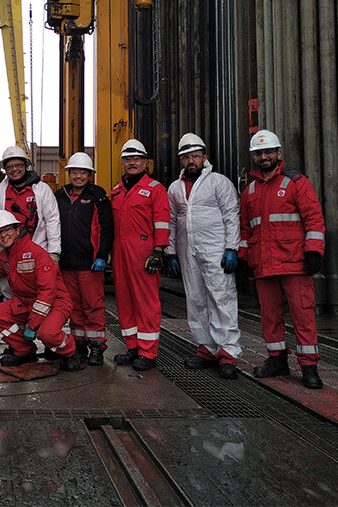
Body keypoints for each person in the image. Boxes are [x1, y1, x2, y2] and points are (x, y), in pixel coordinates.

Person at [239, 130, 325, 389]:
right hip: (264, 264)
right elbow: (246, 229)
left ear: (278, 153)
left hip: (294, 262)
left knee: (303, 315)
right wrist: (243, 257)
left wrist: (314, 251)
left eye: (268, 152)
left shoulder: (296, 182)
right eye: (258, 153)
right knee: (270, 316)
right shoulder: (250, 190)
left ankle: (309, 366)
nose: (263, 157)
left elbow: (314, 219)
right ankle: (277, 360)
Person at [165, 133, 241, 380]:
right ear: (181, 160)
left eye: (195, 156)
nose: (191, 161)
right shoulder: (174, 188)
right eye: (186, 157)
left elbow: (231, 215)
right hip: (188, 251)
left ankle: (227, 353)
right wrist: (171, 252)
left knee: (221, 297)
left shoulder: (219, 183)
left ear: (204, 157)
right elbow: (172, 221)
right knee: (196, 299)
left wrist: (232, 248)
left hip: (216, 249)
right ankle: (206, 348)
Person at [0, 210, 81, 370]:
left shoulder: (37, 254)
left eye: (7, 230)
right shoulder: (6, 256)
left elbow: (47, 292)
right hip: (26, 303)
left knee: (47, 334)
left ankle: (71, 349)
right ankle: (24, 350)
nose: (3, 235)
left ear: (17, 230)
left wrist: (33, 325)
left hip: (55, 303)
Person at [110, 139, 170, 371]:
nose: (132, 163)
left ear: (145, 162)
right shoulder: (116, 192)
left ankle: (148, 352)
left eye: (136, 159)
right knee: (124, 301)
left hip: (143, 252)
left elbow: (162, 221)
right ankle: (132, 347)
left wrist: (158, 251)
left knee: (146, 302)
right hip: (119, 252)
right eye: (127, 159)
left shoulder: (155, 189)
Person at [55, 152, 114, 365]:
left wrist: (102, 256)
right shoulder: (59, 196)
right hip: (66, 263)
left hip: (90, 264)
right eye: (75, 172)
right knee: (74, 306)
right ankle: (79, 344)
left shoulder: (98, 197)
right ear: (69, 173)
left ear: (90, 175)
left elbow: (107, 229)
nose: (78, 176)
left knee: (93, 306)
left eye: (83, 172)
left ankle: (96, 347)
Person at [0, 146, 61, 298]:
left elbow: (52, 221)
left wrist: (54, 252)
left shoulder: (42, 190)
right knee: (11, 294)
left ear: (25, 166)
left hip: (37, 249)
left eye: (18, 165)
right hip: (8, 254)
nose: (14, 169)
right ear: (5, 169)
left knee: (41, 291)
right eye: (10, 167)